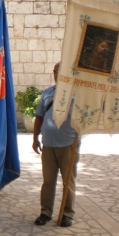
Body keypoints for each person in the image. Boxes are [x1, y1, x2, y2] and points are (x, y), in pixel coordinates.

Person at [33, 62, 78, 227]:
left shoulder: (77, 93)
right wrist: (35, 138)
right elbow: (39, 116)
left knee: (68, 181)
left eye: (60, 71)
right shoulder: (47, 92)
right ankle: (45, 212)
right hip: (48, 145)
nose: (57, 74)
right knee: (48, 181)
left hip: (68, 145)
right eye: (55, 71)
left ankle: (67, 214)